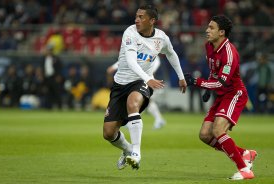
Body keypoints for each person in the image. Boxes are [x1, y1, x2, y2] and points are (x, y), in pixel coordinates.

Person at [103, 4, 187, 170]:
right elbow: (131, 61)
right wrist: (148, 78)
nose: (137, 20)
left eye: (141, 17)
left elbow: (171, 54)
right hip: (121, 84)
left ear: (152, 20)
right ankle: (127, 149)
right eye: (136, 16)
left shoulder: (161, 38)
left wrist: (181, 77)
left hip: (140, 82)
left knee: (133, 103)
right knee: (108, 133)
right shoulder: (130, 32)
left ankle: (136, 152)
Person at [184, 15, 257, 180]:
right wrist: (208, 87)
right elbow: (213, 71)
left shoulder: (230, 53)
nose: (207, 30)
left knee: (217, 130)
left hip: (234, 94)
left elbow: (223, 83)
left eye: (211, 28)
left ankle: (245, 170)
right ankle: (245, 153)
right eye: (208, 27)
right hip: (221, 96)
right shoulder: (209, 46)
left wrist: (197, 82)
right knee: (204, 135)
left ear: (222, 32)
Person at [107, 56, 166, 129]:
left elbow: (150, 70)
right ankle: (158, 119)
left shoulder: (154, 57)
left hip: (147, 81)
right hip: (137, 81)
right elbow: (127, 59)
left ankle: (132, 121)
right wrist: (114, 66)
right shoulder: (139, 52)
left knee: (141, 102)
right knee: (147, 103)